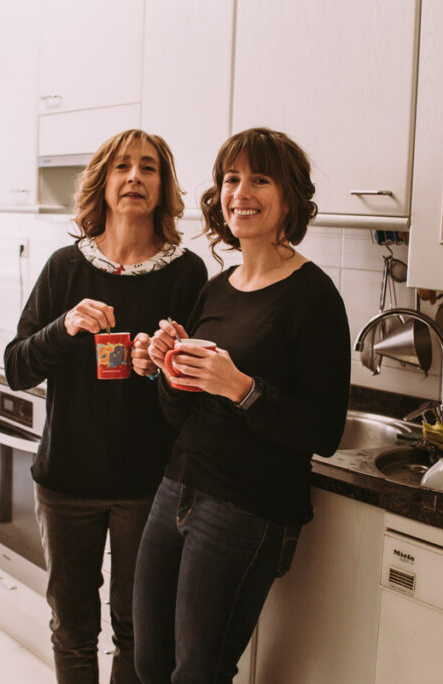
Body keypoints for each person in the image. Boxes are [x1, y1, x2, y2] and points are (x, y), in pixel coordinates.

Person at [131, 127, 351, 683]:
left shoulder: (314, 296)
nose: (240, 192)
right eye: (231, 179)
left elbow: (325, 431)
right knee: (148, 662)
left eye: (260, 178)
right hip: (176, 488)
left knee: (197, 674)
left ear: (289, 198)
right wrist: (170, 370)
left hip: (245, 509)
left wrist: (242, 389)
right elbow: (178, 414)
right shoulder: (217, 287)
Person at [3, 129, 207, 683]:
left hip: (149, 486)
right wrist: (64, 326)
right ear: (104, 182)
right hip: (66, 480)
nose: (134, 177)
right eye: (121, 167)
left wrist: (159, 368)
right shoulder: (65, 268)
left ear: (163, 186)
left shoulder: (187, 274)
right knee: (71, 631)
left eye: (148, 167)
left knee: (139, 633)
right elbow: (17, 367)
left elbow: (190, 399)